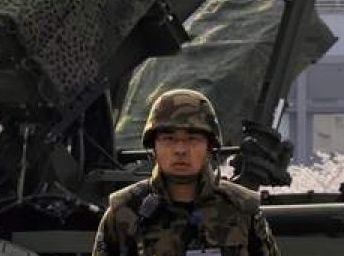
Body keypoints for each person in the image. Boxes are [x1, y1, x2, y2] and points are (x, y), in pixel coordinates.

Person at [93, 88, 281, 256]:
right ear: (153, 147)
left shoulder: (243, 208)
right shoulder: (124, 211)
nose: (180, 150)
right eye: (169, 139)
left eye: (192, 139)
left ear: (210, 146)